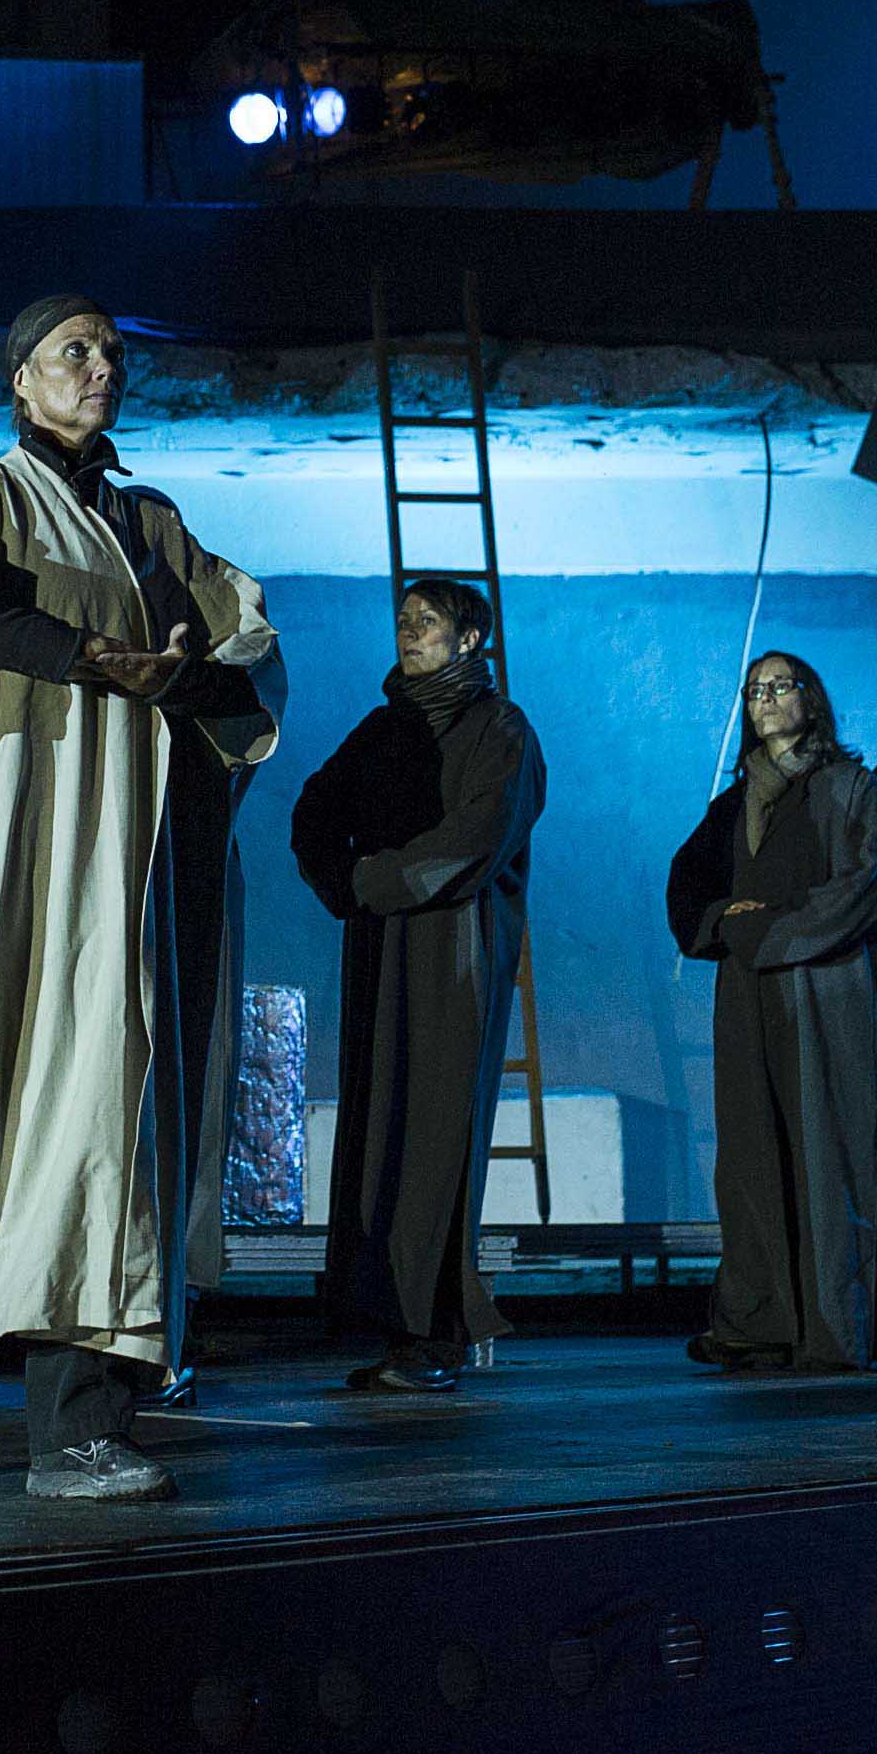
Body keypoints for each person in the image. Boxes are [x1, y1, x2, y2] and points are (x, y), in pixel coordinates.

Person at [0, 292, 283, 1500]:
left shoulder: (150, 522)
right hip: (0, 845)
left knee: (102, 1119)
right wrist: (78, 656)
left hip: (118, 876)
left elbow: (243, 645)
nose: (100, 367)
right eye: (74, 350)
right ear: (19, 379)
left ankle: (77, 1428)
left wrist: (185, 676)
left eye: (112, 352)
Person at [292, 575, 545, 1393]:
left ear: (470, 639)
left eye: (428, 621)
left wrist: (374, 880)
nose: (410, 632)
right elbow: (315, 810)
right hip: (381, 941)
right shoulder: (383, 727)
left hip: (454, 944)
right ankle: (394, 1325)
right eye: (404, 620)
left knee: (438, 1132)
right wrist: (344, 883)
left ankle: (437, 1334)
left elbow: (480, 834)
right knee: (381, 1129)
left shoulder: (501, 728)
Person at [669, 651, 877, 1372]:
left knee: (829, 1151)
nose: (767, 699)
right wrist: (723, 922)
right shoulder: (735, 802)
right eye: (756, 691)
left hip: (827, 988)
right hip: (749, 994)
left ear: (812, 699)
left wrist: (769, 930)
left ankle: (839, 1327)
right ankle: (758, 1321)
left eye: (781, 686)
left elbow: (866, 883)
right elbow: (688, 885)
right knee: (751, 1154)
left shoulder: (852, 788)